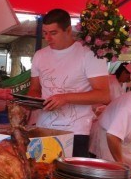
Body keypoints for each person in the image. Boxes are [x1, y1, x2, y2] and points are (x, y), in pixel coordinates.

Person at [27, 8, 110, 157]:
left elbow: (104, 95)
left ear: (68, 30)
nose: (48, 38)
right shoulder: (39, 56)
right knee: (37, 175)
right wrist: (29, 102)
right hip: (42, 128)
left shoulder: (88, 54)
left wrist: (65, 98)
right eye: (45, 33)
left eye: (53, 33)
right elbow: (34, 89)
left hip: (75, 131)